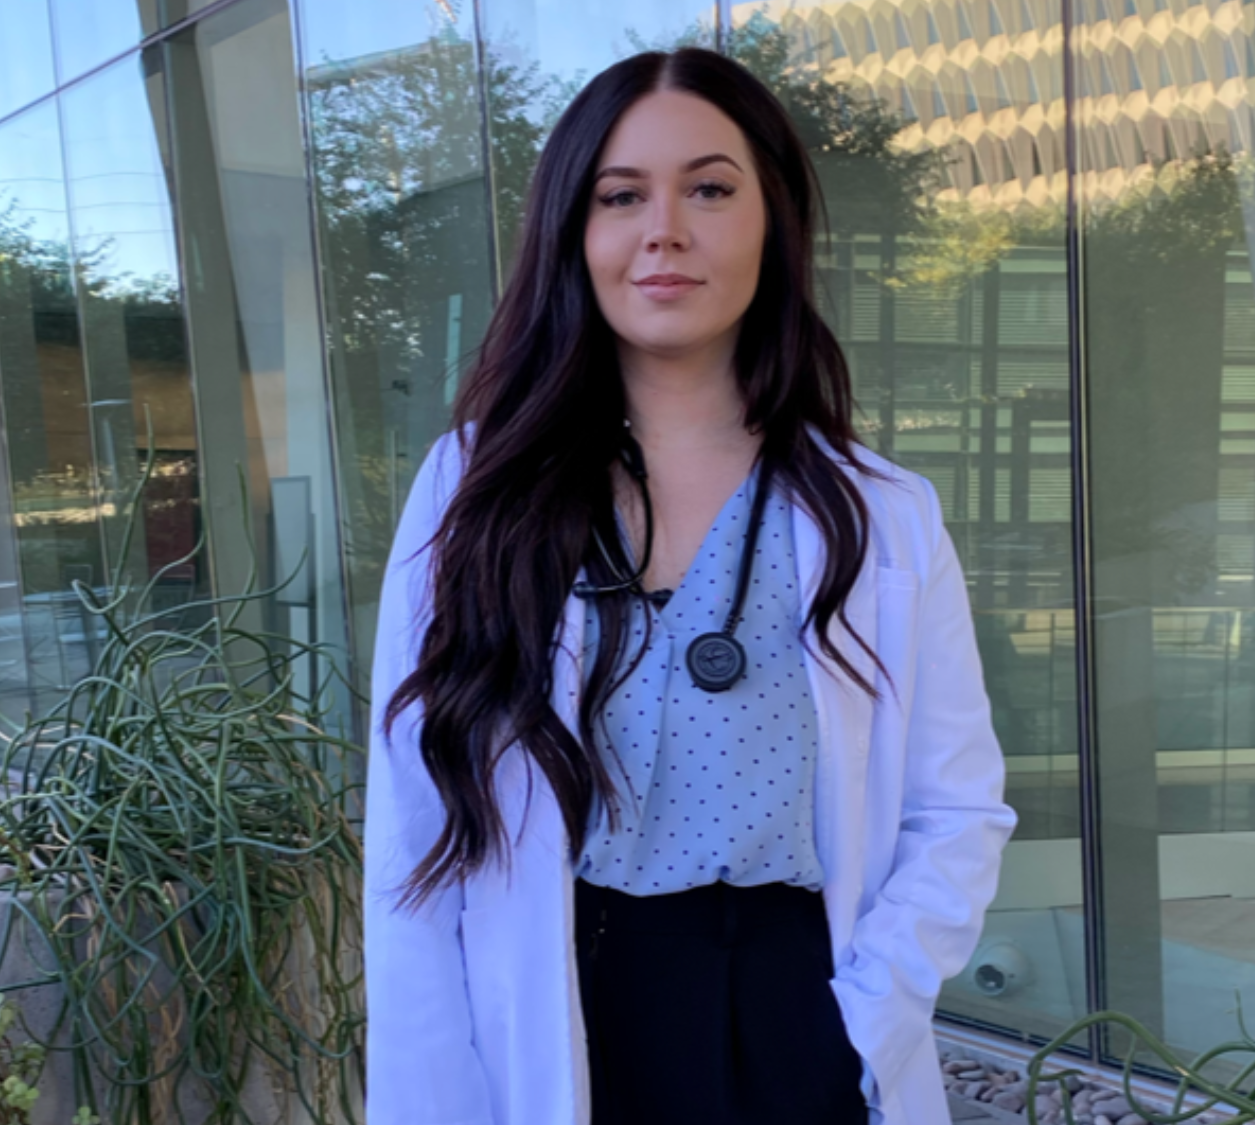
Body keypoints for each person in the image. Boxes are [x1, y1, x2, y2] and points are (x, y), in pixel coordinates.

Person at [364, 46, 1017, 1125]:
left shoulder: (879, 511)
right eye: (620, 196)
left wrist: (861, 1019)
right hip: (559, 1007)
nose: (662, 229)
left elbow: (956, 809)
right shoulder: (474, 491)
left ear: (772, 220)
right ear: (575, 232)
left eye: (709, 189)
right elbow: (413, 821)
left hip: (794, 1014)